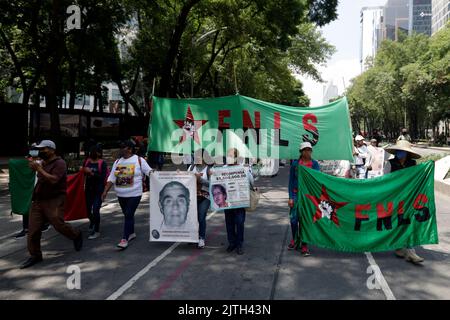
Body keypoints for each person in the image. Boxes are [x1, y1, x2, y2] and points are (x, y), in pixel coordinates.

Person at [20, 140, 83, 269]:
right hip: (38, 200)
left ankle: (76, 234)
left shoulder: (60, 163)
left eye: (44, 149)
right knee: (33, 230)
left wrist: (39, 169)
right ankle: (35, 255)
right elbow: (38, 176)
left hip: (54, 200)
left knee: (58, 224)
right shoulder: (42, 162)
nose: (41, 151)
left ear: (52, 150)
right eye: (40, 149)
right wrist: (34, 168)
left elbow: (54, 180)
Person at [102, 139, 152, 249]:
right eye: (120, 147)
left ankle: (124, 238)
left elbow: (149, 172)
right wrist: (105, 191)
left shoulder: (139, 160)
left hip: (135, 194)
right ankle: (132, 233)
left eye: (123, 147)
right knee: (127, 215)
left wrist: (161, 177)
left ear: (129, 149)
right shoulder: (117, 162)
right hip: (121, 195)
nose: (120, 149)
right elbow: (112, 178)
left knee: (128, 214)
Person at [384, 140, 424, 264]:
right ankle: (399, 246)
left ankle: (411, 251)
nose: (400, 153)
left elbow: (417, 178)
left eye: (403, 151)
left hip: (408, 198)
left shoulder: (413, 164)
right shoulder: (389, 164)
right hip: (394, 198)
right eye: (398, 151)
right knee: (397, 221)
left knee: (408, 221)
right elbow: (384, 180)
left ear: (407, 153)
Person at [288, 142, 320, 256]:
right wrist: (291, 197)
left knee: (305, 220)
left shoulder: (315, 164)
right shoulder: (295, 164)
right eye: (305, 150)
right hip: (296, 195)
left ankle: (304, 245)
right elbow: (291, 181)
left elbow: (318, 181)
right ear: (301, 152)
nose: (308, 152)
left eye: (309, 150)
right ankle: (295, 239)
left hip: (308, 197)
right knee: (293, 220)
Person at [13, 143, 51, 240]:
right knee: (26, 205)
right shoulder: (29, 162)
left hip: (40, 187)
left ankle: (45, 223)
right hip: (29, 187)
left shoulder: (43, 161)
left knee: (40, 206)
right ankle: (26, 228)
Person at [221, 148, 254, 255]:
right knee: (229, 223)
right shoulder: (222, 168)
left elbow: (251, 181)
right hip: (228, 201)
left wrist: (248, 174)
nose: (229, 157)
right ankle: (232, 243)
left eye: (231, 155)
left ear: (236, 157)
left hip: (240, 201)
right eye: (228, 155)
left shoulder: (242, 168)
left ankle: (239, 244)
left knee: (239, 222)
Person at [81, 145, 107, 240]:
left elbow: (102, 177)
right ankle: (92, 221)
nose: (92, 153)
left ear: (99, 153)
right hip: (88, 189)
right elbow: (82, 173)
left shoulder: (102, 163)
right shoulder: (87, 161)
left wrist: (91, 173)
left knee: (96, 209)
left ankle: (96, 230)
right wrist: (84, 170)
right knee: (87, 210)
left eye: (94, 151)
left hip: (98, 190)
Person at [188, 149, 212, 248]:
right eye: (196, 156)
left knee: (201, 217)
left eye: (199, 156)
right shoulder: (191, 167)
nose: (197, 158)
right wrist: (179, 173)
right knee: (193, 217)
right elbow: (184, 179)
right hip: (193, 196)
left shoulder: (209, 169)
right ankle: (193, 237)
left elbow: (212, 184)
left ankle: (201, 238)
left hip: (205, 197)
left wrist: (200, 180)